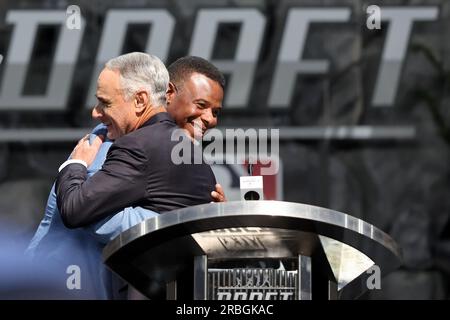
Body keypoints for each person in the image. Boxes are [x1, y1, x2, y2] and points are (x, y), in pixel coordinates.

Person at [27, 54, 226, 299]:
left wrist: (214, 220)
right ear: (169, 94)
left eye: (215, 111)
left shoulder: (178, 154)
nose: (210, 119)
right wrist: (188, 224)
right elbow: (84, 211)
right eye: (201, 105)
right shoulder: (112, 139)